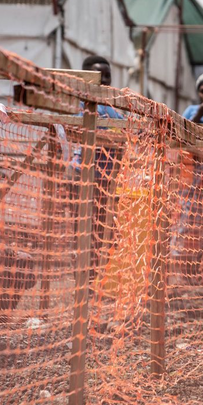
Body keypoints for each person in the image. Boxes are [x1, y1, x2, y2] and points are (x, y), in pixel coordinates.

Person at [78, 55, 124, 276]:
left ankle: (94, 274)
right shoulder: (85, 105)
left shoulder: (112, 106)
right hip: (86, 175)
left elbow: (124, 128)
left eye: (108, 76)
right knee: (89, 227)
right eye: (99, 76)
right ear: (86, 79)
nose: (104, 81)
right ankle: (86, 275)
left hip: (107, 177)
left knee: (103, 228)